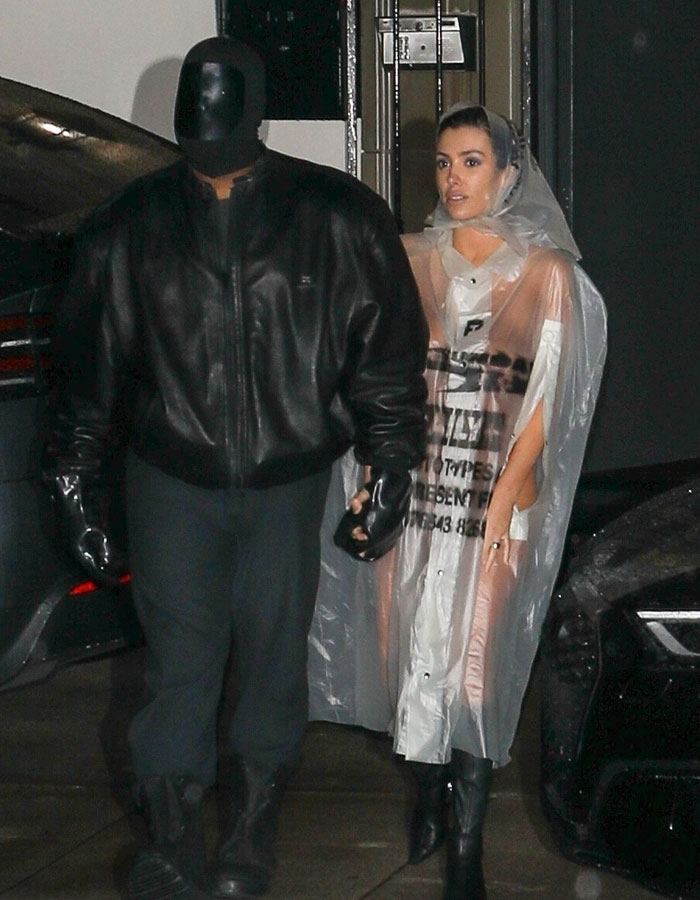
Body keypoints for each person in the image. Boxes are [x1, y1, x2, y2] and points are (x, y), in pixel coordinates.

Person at [44, 37, 428, 900]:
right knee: (178, 667)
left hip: (286, 482)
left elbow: (387, 352)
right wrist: (74, 483)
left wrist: (394, 462)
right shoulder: (127, 228)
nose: (206, 125)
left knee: (270, 662)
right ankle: (172, 843)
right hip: (171, 478)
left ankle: (250, 838)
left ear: (255, 109)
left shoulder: (336, 217)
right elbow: (87, 370)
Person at [308, 103, 607, 899]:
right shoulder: (407, 260)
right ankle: (430, 792)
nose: (454, 178)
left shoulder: (546, 275)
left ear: (507, 173)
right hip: (416, 491)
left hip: (492, 503)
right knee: (404, 657)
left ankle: (467, 846)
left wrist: (507, 498)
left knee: (477, 668)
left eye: (472, 162)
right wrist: (374, 476)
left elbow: (545, 397)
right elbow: (377, 380)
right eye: (444, 162)